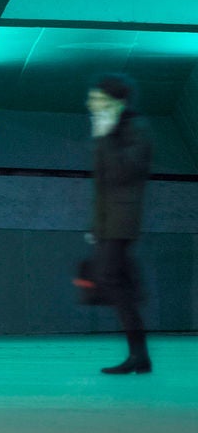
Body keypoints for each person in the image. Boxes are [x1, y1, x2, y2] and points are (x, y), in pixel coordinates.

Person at [87, 73, 153, 375]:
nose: (91, 104)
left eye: (98, 99)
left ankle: (139, 354)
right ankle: (139, 356)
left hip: (123, 220)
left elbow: (122, 174)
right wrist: (95, 225)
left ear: (116, 103)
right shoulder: (108, 130)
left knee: (110, 278)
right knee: (114, 279)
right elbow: (101, 184)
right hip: (108, 221)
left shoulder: (135, 128)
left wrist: (105, 136)